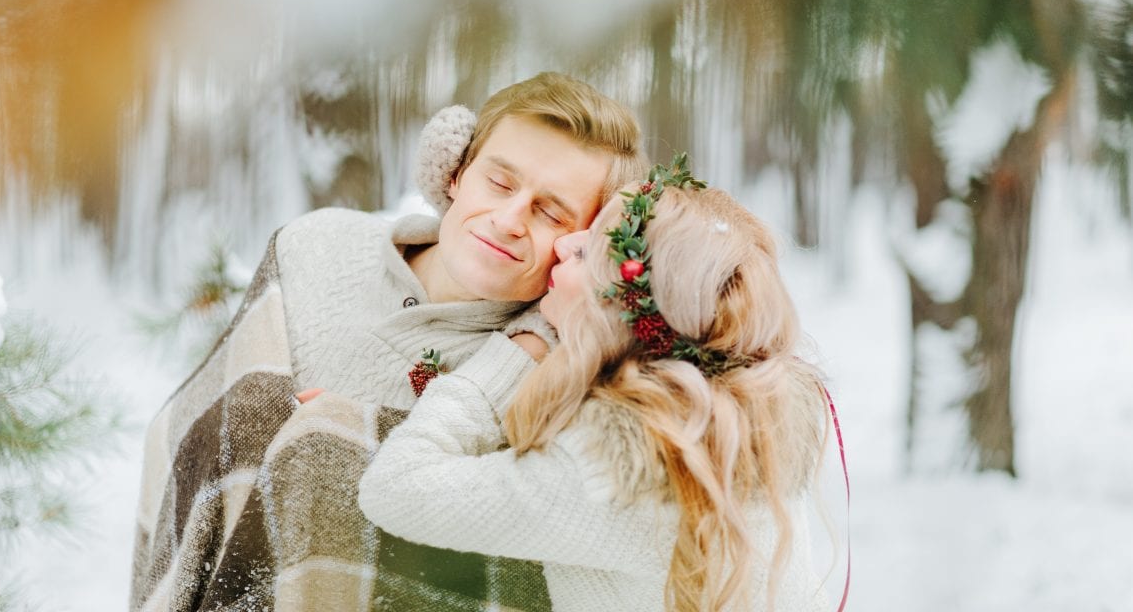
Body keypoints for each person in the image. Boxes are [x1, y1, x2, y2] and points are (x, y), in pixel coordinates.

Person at [129, 72, 647, 611]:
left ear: (589, 241)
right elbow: (195, 443)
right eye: (499, 182)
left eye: (551, 212)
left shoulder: (561, 380)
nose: (509, 219)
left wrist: (343, 441)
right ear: (457, 173)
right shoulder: (313, 250)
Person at [357, 156, 833, 612]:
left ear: (621, 310)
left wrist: (519, 349)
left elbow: (396, 488)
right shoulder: (736, 427)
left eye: (586, 251)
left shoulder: (614, 472)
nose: (563, 246)